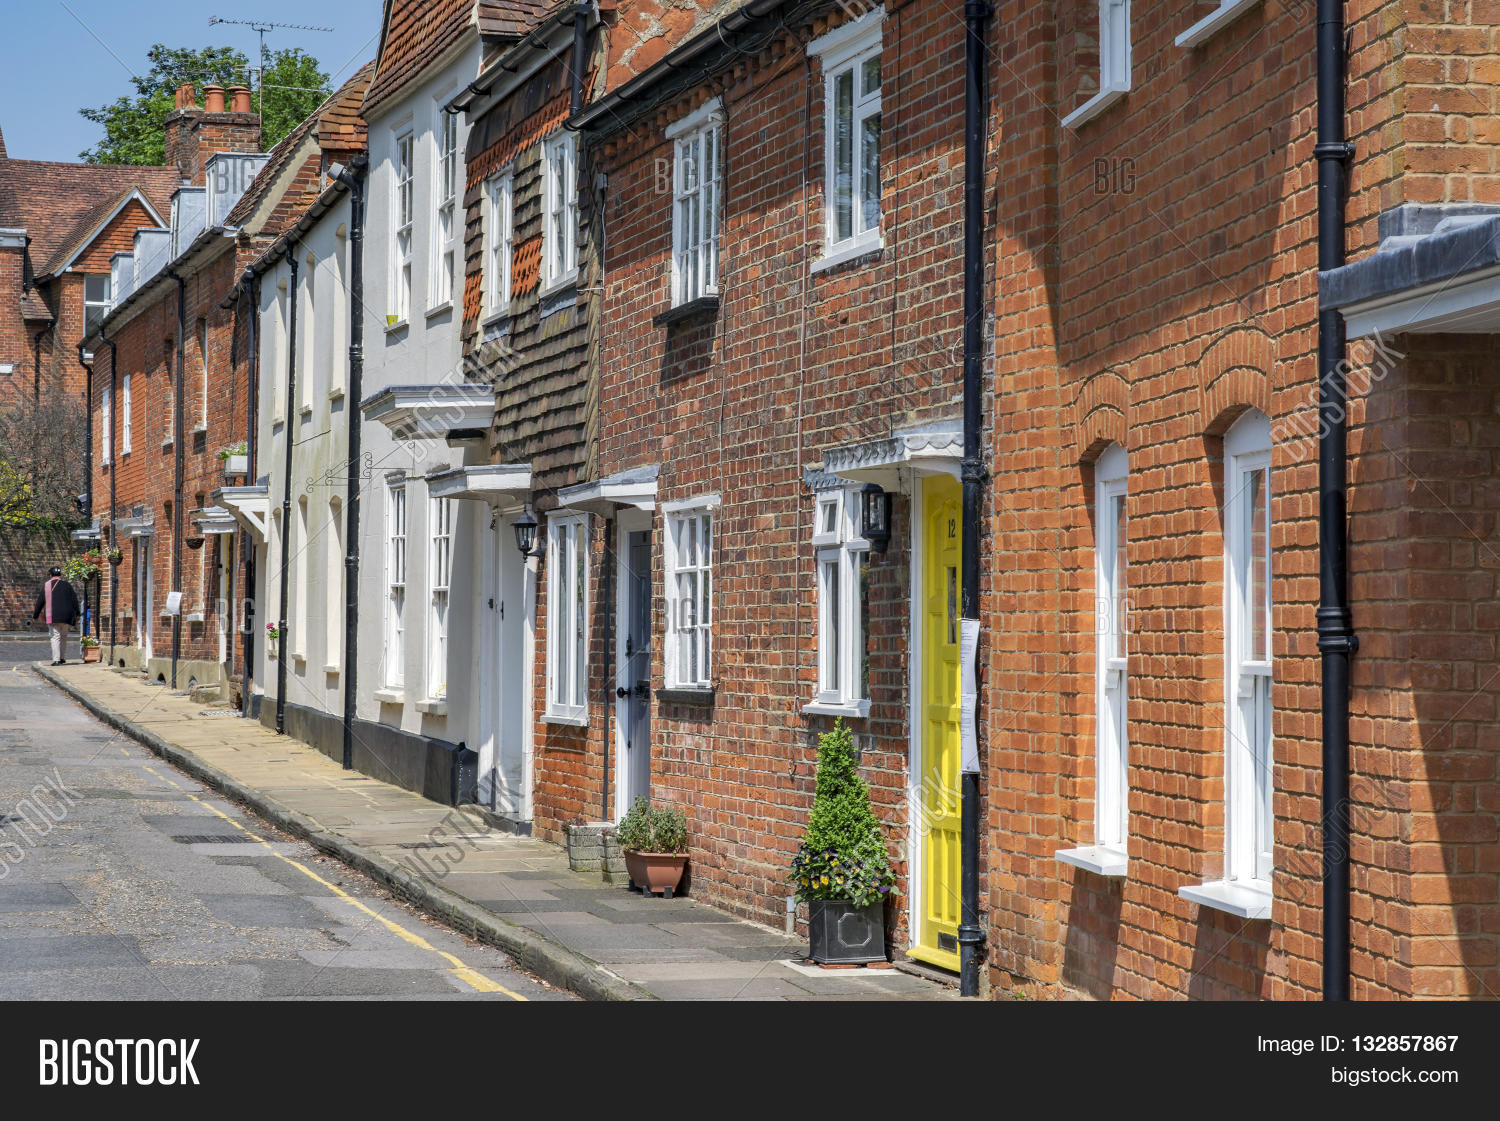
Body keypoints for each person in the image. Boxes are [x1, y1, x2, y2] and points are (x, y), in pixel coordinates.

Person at [33, 567, 81, 666]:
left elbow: (40, 601)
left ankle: (56, 660)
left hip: (53, 615)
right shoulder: (67, 585)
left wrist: (35, 615)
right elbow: (74, 600)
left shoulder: (47, 585)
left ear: (50, 575)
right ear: (59, 575)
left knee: (55, 637)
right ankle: (62, 658)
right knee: (63, 637)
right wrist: (78, 614)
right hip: (67, 616)